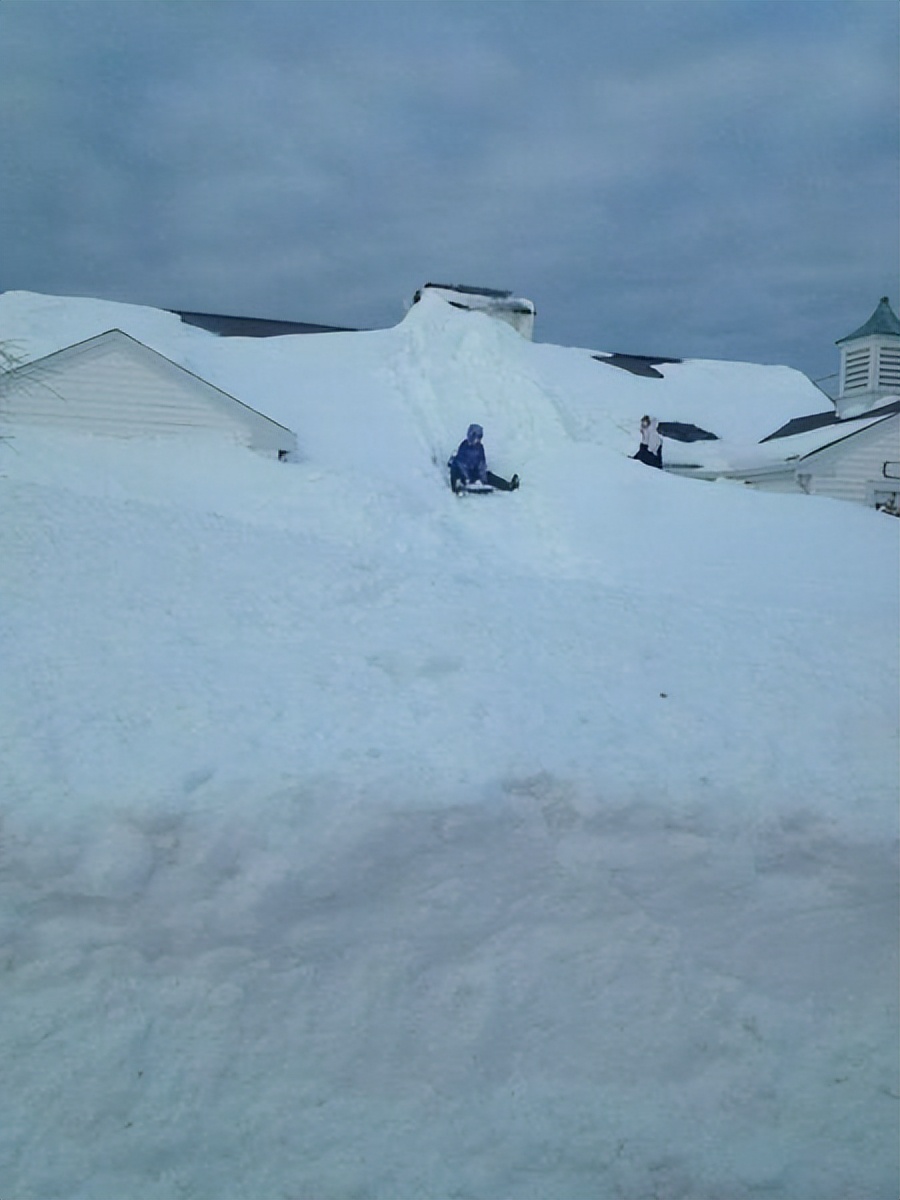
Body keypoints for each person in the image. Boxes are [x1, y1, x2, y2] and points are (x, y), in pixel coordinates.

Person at [448, 424, 519, 493]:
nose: (478, 440)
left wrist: (483, 478)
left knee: (489, 476)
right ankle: (457, 486)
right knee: (455, 473)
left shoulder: (479, 448)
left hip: (473, 472)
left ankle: (509, 486)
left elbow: (481, 463)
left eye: (480, 438)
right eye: (477, 437)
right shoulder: (464, 446)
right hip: (462, 472)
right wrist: (467, 479)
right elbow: (462, 465)